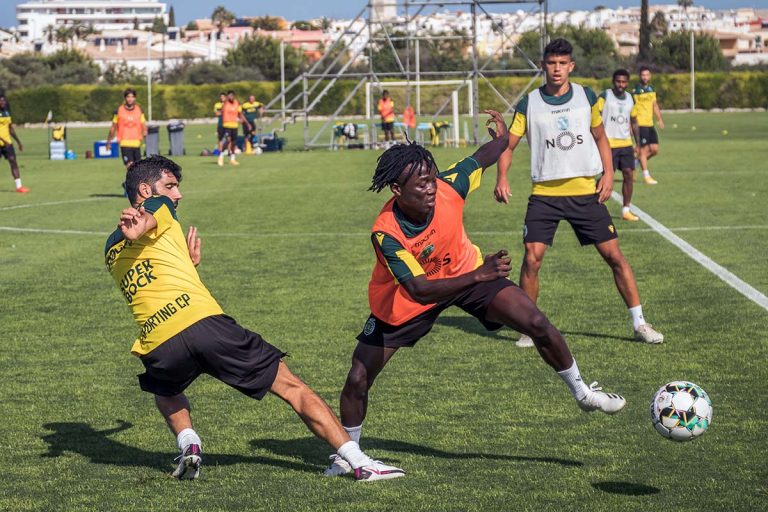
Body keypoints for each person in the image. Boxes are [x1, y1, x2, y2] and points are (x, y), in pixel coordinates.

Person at [324, 110, 627, 478]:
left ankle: (582, 392)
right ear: (397, 190)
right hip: (405, 303)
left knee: (536, 321)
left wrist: (501, 138)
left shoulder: (449, 187)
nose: (431, 188)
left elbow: (483, 155)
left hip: (467, 273)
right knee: (358, 378)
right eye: (421, 184)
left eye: (432, 179)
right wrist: (480, 274)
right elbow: (419, 290)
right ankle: (347, 457)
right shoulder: (386, 232)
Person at [105, 155, 405, 482]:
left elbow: (152, 276)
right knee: (292, 387)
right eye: (171, 186)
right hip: (203, 324)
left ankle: (189, 442)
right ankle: (358, 461)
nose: (178, 194)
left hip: (158, 343)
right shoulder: (158, 206)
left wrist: (187, 263)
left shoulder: (108, 248)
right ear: (146, 190)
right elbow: (145, 222)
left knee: (164, 390)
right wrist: (140, 224)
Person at [494, 39, 664, 348]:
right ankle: (529, 327)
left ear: (571, 66)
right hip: (544, 194)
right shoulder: (529, 103)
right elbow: (509, 144)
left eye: (562, 63)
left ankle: (640, 323)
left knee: (614, 256)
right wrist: (501, 176)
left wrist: (609, 174)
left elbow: (601, 137)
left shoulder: (586, 97)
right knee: (532, 259)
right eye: (551, 63)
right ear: (543, 65)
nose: (556, 69)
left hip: (586, 191)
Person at [598, 69, 640, 222]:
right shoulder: (605, 96)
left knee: (629, 175)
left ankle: (626, 210)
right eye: (618, 81)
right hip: (608, 144)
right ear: (613, 81)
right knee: (606, 177)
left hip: (626, 144)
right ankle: (595, 207)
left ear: (627, 83)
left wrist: (638, 143)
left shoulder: (630, 98)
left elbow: (634, 122)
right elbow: (595, 117)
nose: (621, 84)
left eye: (624, 82)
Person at [632, 67, 664, 185]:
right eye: (643, 75)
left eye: (647, 75)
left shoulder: (651, 89)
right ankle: (646, 176)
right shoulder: (636, 90)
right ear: (640, 76)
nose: (645, 77)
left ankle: (635, 163)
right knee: (643, 151)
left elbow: (654, 105)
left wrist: (659, 119)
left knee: (655, 149)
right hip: (640, 124)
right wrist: (631, 125)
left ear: (650, 76)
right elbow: (632, 108)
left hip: (650, 124)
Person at [107, 88, 147, 169]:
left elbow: (143, 125)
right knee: (130, 166)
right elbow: (113, 127)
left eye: (132, 97)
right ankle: (131, 181)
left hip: (136, 142)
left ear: (135, 98)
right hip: (124, 142)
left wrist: (145, 133)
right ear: (125, 98)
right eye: (128, 96)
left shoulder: (139, 110)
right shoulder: (118, 111)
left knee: (138, 168)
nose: (130, 99)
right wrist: (108, 141)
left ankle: (134, 181)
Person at [0, 94, 28, 193]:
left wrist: (18, 142)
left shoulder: (7, 113)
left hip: (8, 144)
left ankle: (19, 187)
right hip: (3, 142)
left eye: (4, 101)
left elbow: (10, 129)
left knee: (13, 162)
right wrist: (3, 141)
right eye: (1, 101)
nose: (3, 103)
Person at [217, 90, 251, 167]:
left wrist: (247, 123)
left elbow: (240, 114)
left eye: (232, 95)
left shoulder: (237, 103)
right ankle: (221, 156)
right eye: (229, 96)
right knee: (228, 140)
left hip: (235, 125)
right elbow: (223, 101)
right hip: (226, 125)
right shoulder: (225, 103)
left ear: (234, 96)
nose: (230, 97)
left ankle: (232, 159)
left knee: (233, 142)